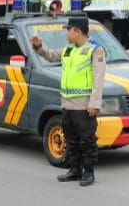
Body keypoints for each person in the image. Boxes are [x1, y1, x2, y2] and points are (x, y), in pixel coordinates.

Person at [30, 17, 106, 187]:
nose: (66, 33)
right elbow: (50, 56)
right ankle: (75, 170)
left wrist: (94, 103)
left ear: (77, 31)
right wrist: (39, 46)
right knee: (71, 139)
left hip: (84, 105)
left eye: (68, 30)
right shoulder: (68, 50)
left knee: (87, 139)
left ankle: (88, 172)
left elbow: (98, 78)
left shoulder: (95, 50)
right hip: (67, 103)